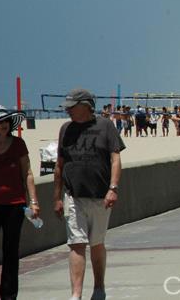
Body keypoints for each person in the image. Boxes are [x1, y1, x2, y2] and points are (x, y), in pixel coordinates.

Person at [53, 89, 125, 300]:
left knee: (96, 243)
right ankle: (76, 295)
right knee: (76, 243)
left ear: (85, 105)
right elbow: (59, 165)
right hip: (73, 195)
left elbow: (115, 159)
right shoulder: (65, 129)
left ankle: (99, 287)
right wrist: (56, 197)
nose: (68, 111)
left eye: (71, 107)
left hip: (101, 196)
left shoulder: (105, 126)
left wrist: (113, 188)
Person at [0, 106, 39, 300]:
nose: (4, 126)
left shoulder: (18, 144)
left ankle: (9, 294)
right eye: (0, 122)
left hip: (15, 204)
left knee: (11, 249)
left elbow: (28, 173)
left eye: (6, 122)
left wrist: (34, 202)